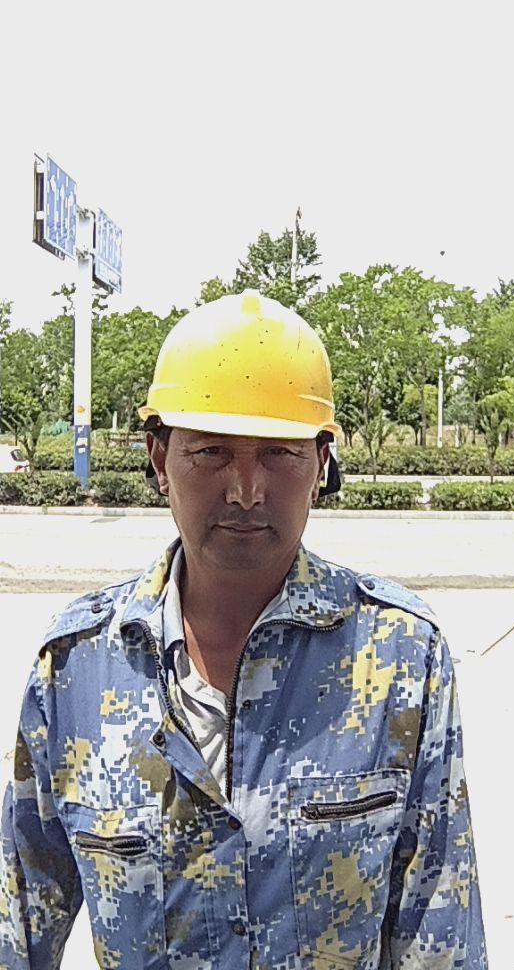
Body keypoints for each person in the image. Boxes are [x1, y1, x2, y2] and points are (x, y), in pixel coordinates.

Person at [0, 289, 487, 969]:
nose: (246, 490)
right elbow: (18, 924)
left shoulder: (400, 658)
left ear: (321, 464)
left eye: (280, 454)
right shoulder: (76, 669)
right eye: (211, 452)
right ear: (159, 458)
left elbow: (440, 934)